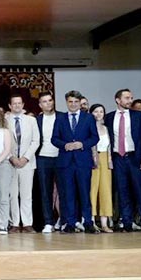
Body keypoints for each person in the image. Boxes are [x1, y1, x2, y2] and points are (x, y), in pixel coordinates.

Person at [104, 89, 141, 233]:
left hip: (135, 157)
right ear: (117, 100)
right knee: (122, 191)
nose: (130, 100)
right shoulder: (109, 117)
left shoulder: (138, 115)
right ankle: (126, 222)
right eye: (126, 98)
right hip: (117, 158)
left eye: (131, 98)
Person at [54, 90, 100, 233]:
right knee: (68, 193)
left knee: (85, 193)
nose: (73, 104)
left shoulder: (88, 118)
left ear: (80, 103)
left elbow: (95, 137)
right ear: (66, 102)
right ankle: (70, 223)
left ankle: (88, 222)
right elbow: (54, 138)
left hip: (83, 161)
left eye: (76, 102)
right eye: (70, 102)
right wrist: (64, 145)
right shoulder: (60, 118)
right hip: (66, 162)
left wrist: (82, 144)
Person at [5, 94, 40, 233]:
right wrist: (11, 157)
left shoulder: (31, 120)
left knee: (26, 194)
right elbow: (3, 142)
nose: (17, 106)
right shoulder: (5, 120)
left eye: (19, 103)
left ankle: (27, 223)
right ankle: (14, 222)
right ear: (10, 106)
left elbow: (36, 141)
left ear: (23, 105)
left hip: (27, 163)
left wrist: (25, 157)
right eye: (14, 103)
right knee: (12, 194)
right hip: (10, 162)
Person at [36, 91, 65, 233]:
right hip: (42, 157)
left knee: (64, 190)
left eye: (50, 100)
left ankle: (64, 219)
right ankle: (48, 221)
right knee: (45, 191)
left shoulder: (63, 117)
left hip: (60, 157)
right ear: (40, 105)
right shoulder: (36, 120)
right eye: (45, 101)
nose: (49, 103)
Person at [89, 104, 114, 233]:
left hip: (105, 159)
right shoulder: (88, 128)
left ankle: (105, 223)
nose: (98, 114)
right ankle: (91, 221)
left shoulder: (107, 129)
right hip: (92, 159)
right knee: (92, 190)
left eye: (101, 111)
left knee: (106, 189)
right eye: (96, 111)